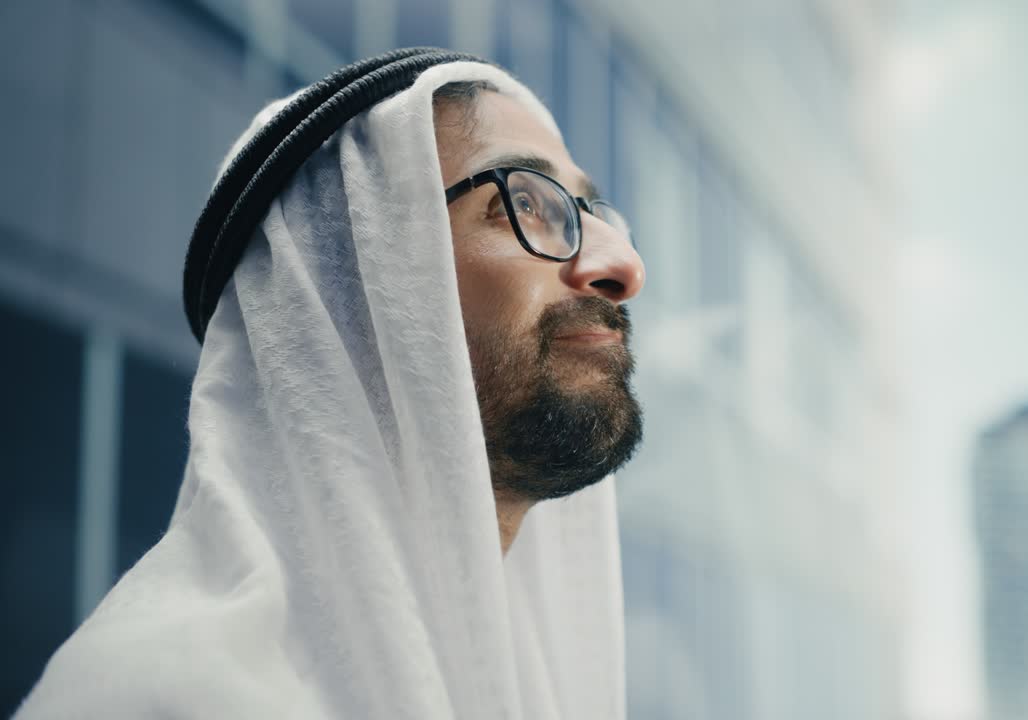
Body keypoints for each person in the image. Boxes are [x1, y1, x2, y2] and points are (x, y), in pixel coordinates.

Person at [17, 53, 645, 719]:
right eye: (523, 203)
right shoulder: (167, 697)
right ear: (361, 275)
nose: (622, 266)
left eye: (588, 211)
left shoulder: (522, 679)